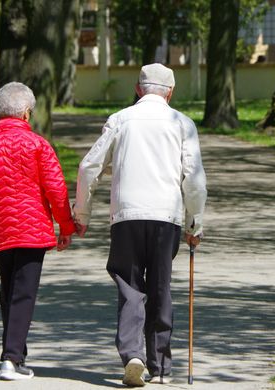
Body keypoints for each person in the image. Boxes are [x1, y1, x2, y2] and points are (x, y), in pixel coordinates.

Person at [73, 63, 207, 387]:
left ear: (137, 88)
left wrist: (82, 214)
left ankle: (132, 354)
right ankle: (159, 364)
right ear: (171, 92)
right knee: (161, 285)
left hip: (127, 215)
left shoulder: (120, 120)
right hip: (167, 216)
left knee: (130, 286)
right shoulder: (182, 123)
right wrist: (195, 222)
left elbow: (89, 166)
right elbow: (194, 180)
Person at [0, 82, 75, 381]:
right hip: (32, 231)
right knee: (23, 294)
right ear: (26, 113)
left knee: (9, 291)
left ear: (0, 111)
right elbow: (56, 189)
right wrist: (66, 226)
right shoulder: (38, 145)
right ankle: (10, 358)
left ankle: (15, 355)